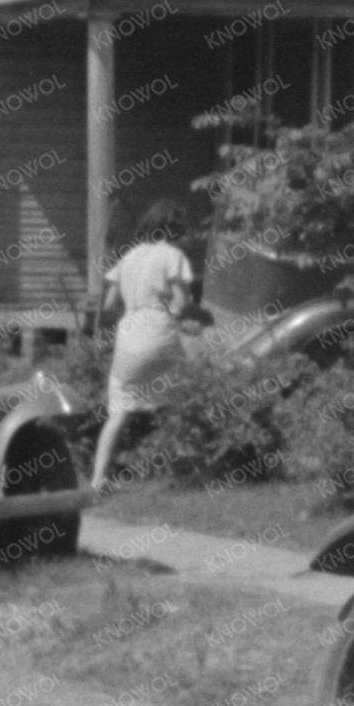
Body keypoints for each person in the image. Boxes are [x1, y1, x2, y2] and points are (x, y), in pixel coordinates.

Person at [90, 200, 200, 490]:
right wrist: (179, 317)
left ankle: (97, 479)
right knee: (176, 402)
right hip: (159, 331)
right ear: (174, 229)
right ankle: (183, 471)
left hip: (128, 336)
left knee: (119, 411)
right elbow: (181, 301)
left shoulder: (129, 256)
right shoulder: (172, 255)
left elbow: (110, 303)